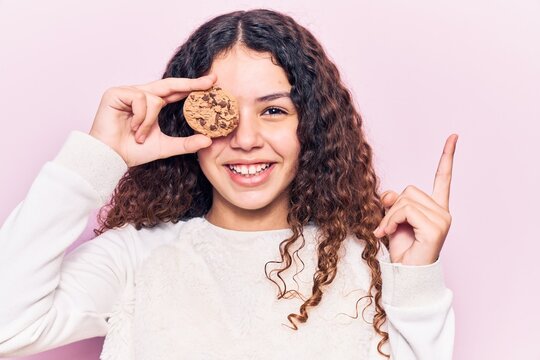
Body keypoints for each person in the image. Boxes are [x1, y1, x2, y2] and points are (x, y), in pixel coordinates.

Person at [0, 8, 457, 360]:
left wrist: (416, 279)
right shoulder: (135, 258)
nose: (245, 140)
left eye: (273, 110)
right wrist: (97, 157)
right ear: (189, 121)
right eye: (224, 113)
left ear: (310, 128)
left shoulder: (369, 260)